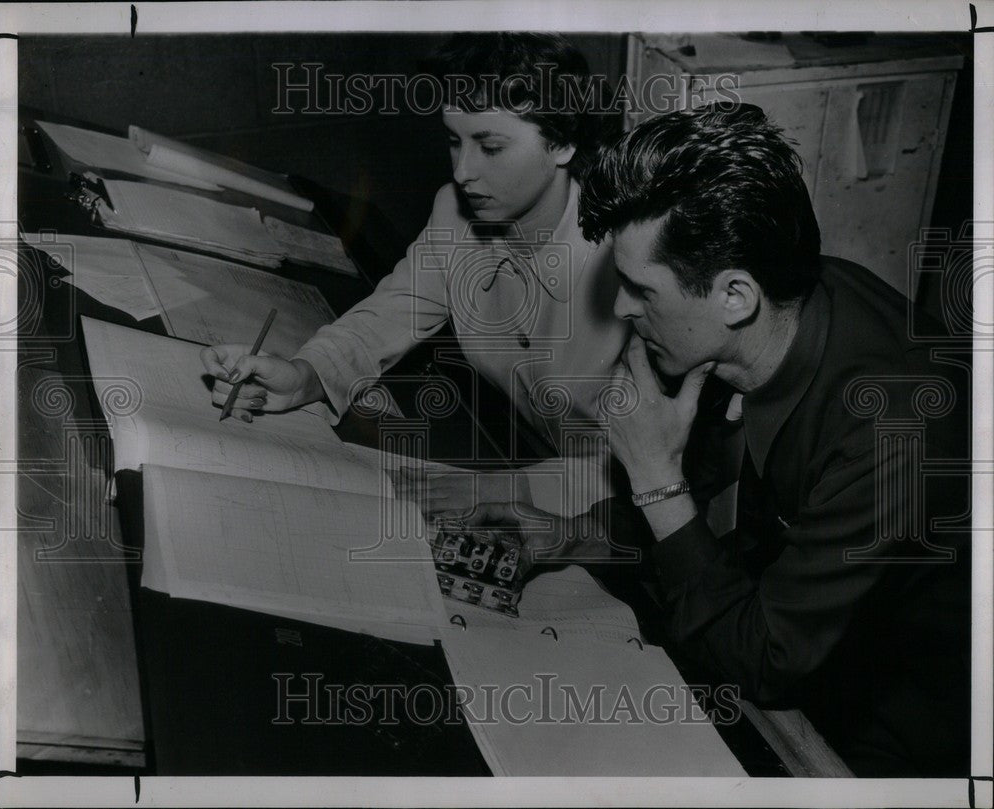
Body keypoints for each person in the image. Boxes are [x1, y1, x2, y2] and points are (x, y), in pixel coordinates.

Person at [462, 104, 971, 777]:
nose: (620, 310)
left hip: (918, 704)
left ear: (734, 295)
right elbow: (707, 505)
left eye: (643, 290)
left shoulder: (891, 426)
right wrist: (567, 534)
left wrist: (654, 474)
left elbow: (766, 661)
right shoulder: (745, 338)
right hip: (806, 628)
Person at [201, 33, 626, 514]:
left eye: (490, 147)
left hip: (624, 514)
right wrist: (305, 375)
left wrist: (505, 491)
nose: (463, 171)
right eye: (453, 141)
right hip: (519, 453)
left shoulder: (629, 262)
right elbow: (387, 316)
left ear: (563, 143)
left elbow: (645, 466)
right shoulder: (456, 212)